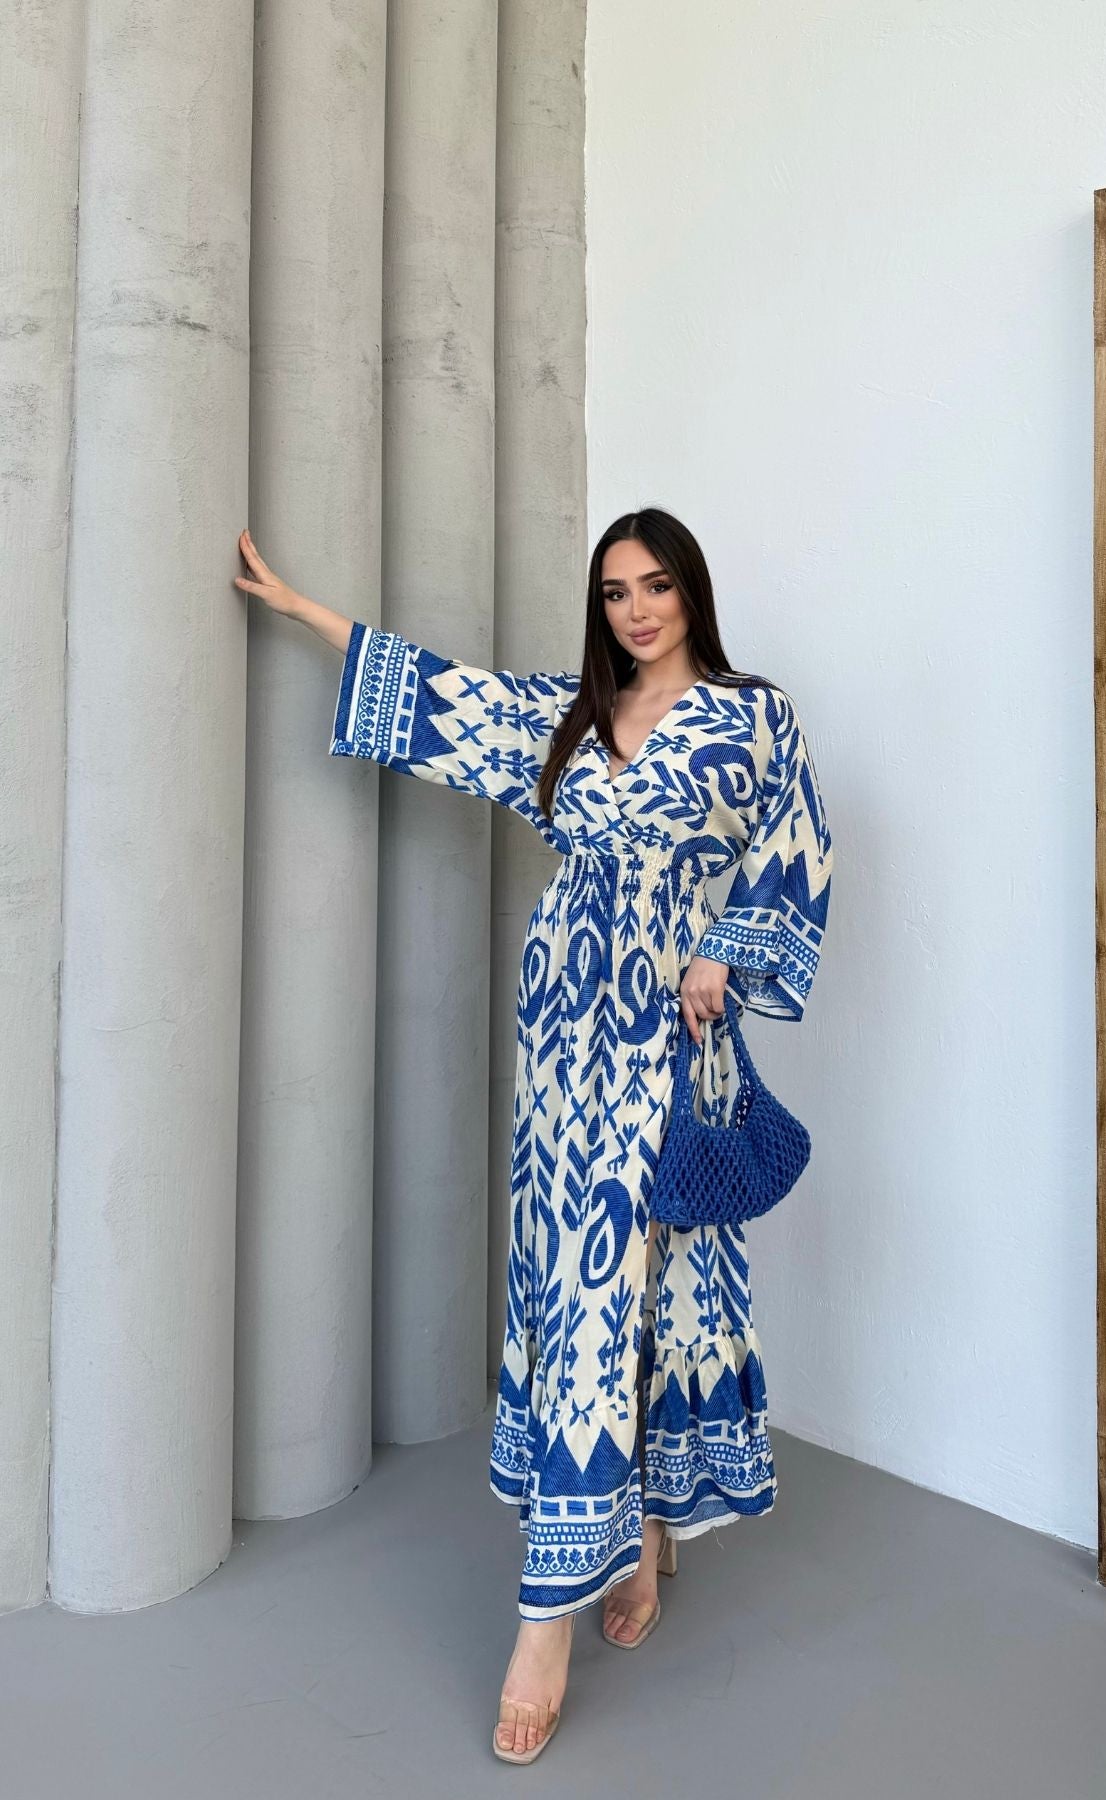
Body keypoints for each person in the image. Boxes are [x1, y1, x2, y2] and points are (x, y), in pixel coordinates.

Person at [233, 506, 834, 1763]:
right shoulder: (569, 716)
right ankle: (646, 1536)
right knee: (586, 1288)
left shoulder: (753, 717)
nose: (636, 611)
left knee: (629, 1286)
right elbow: (443, 700)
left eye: (656, 586)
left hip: (666, 1037)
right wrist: (304, 611)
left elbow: (797, 848)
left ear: (691, 592)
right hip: (563, 1038)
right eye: (615, 591)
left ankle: (543, 1621)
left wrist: (725, 949)